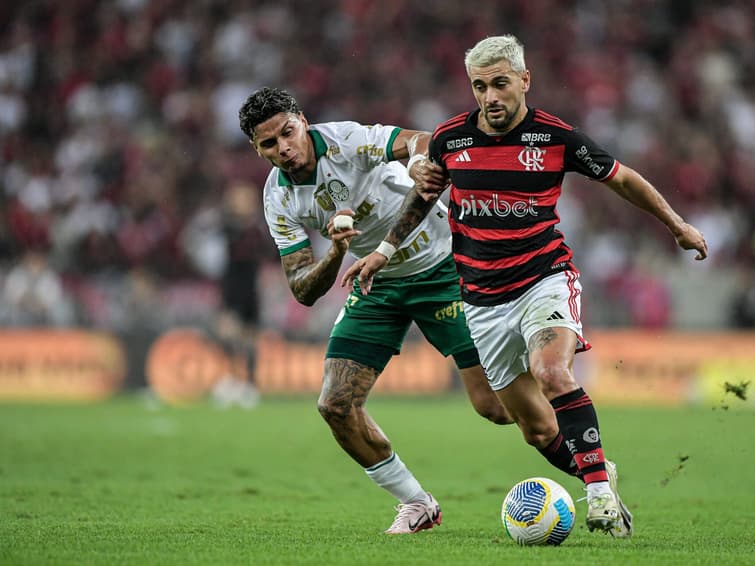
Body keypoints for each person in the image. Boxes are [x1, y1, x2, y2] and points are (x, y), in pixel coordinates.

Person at [344, 35, 709, 538]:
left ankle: (599, 495)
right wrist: (383, 251)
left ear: (523, 81)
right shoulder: (450, 139)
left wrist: (676, 225)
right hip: (482, 301)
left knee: (551, 370)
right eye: (479, 87)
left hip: (544, 279)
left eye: (499, 84)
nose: (490, 97)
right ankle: (597, 465)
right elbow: (423, 198)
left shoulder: (556, 137)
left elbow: (623, 179)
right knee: (530, 426)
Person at [237, 87, 512, 535]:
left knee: (496, 408)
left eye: (287, 133)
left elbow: (419, 139)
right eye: (269, 144)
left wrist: (421, 160)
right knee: (335, 404)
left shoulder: (346, 140)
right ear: (257, 148)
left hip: (442, 265)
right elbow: (302, 289)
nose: (283, 148)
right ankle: (417, 503)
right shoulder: (278, 198)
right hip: (374, 279)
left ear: (302, 121)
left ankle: (578, 437)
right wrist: (335, 252)